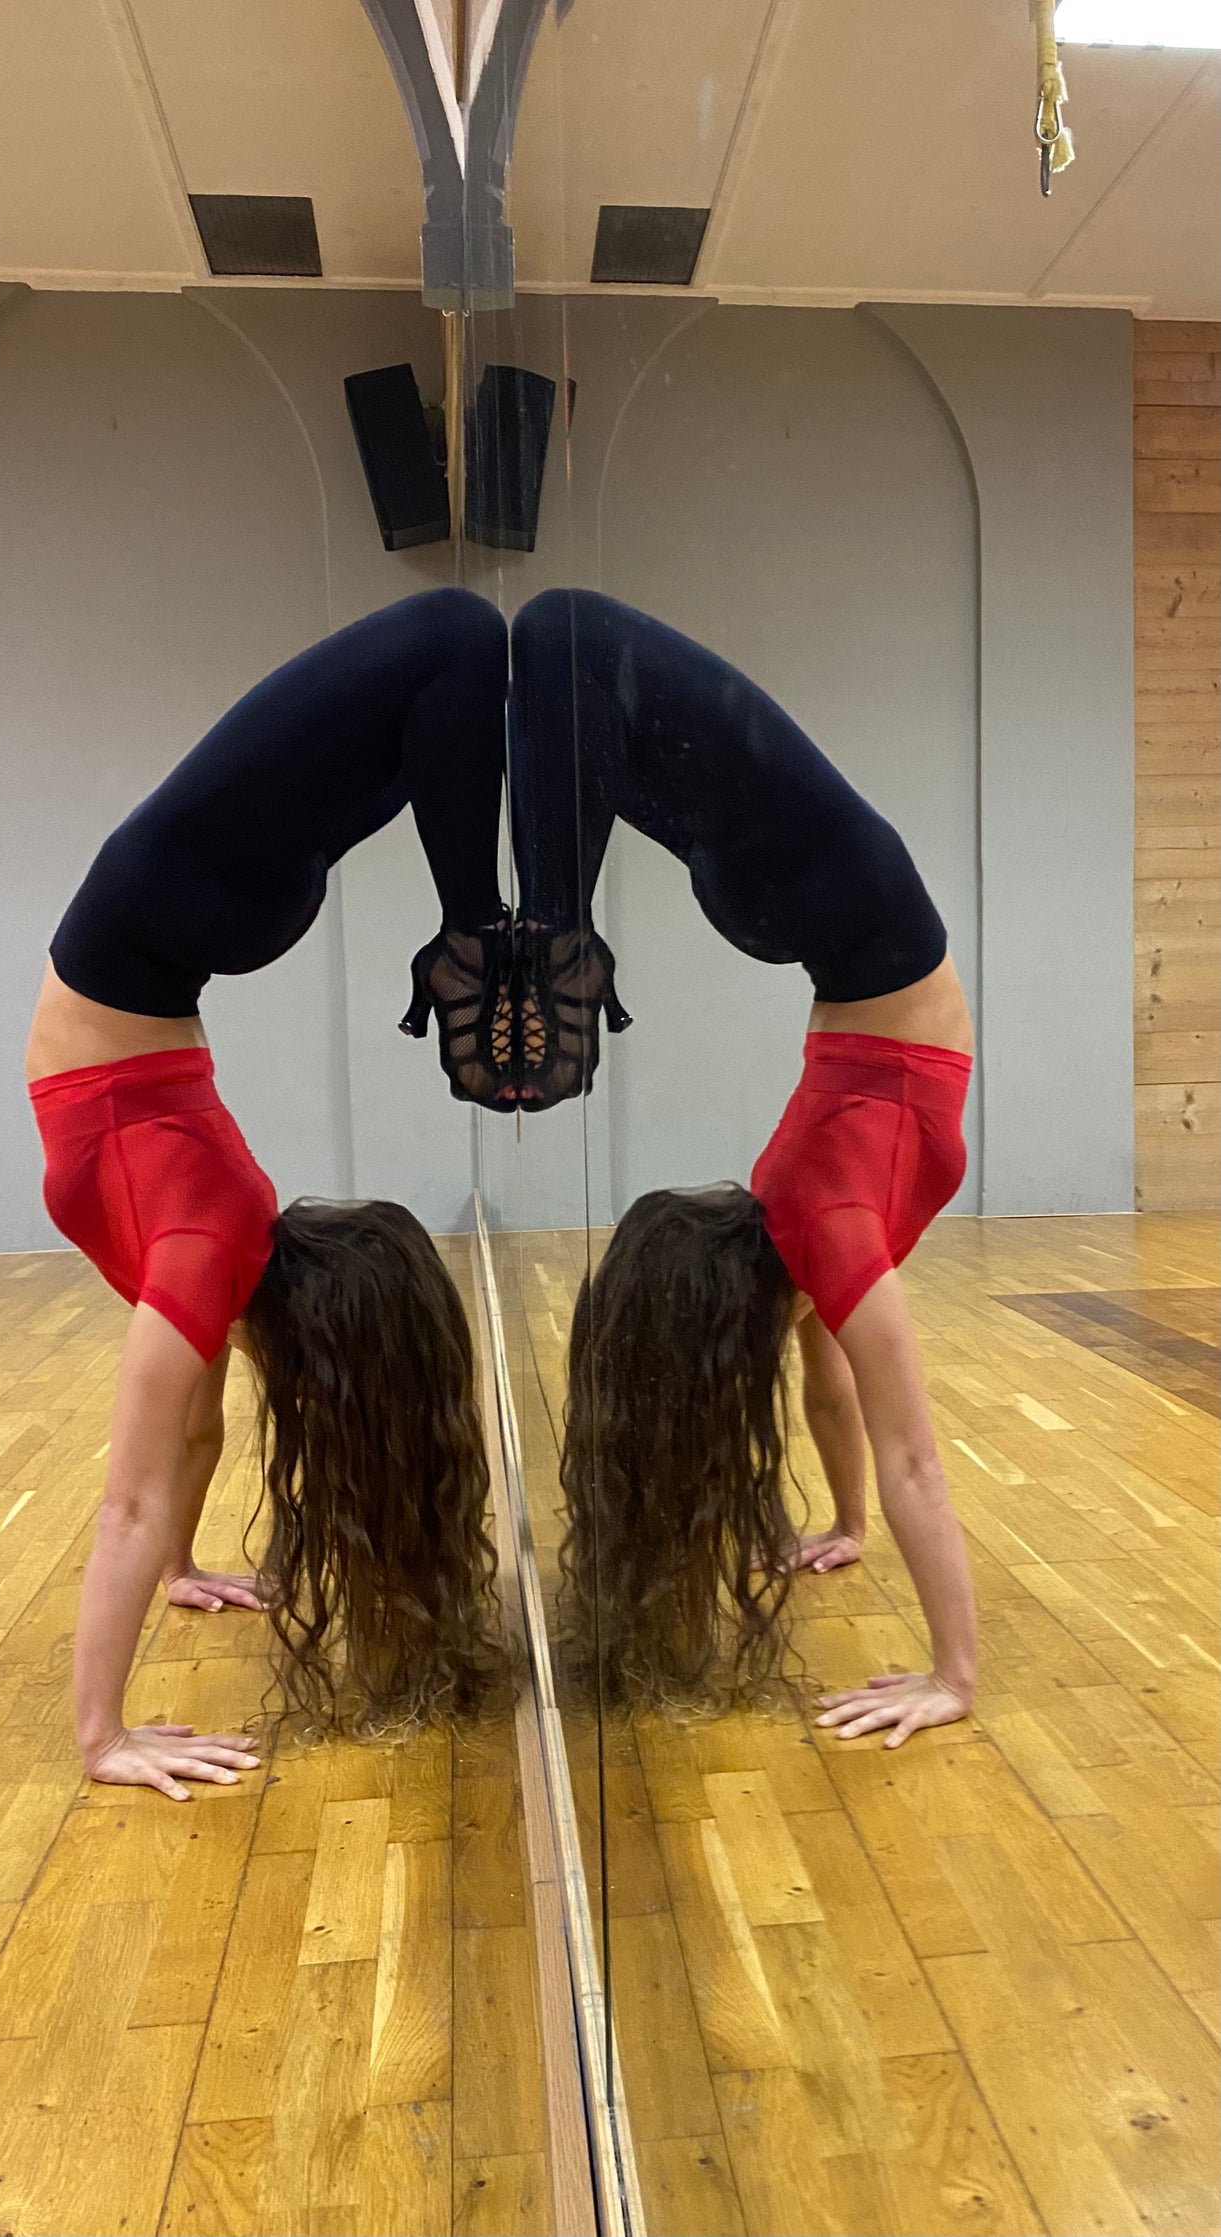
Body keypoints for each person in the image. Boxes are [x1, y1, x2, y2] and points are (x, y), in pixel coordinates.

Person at [26, 590, 511, 1798]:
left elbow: (185, 1444)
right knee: (457, 637)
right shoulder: (201, 1264)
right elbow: (125, 1500)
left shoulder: (216, 1268)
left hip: (153, 965)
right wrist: (105, 1736)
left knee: (451, 656)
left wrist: (183, 1562)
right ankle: (471, 923)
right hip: (151, 949)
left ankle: (471, 922)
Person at [514, 590, 976, 1748]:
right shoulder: (801, 1235)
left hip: (851, 934)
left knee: (564, 640)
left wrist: (950, 1673)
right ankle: (551, 925)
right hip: (843, 934)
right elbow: (843, 1399)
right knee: (564, 655)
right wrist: (845, 1522)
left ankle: (552, 925)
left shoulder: (818, 1233)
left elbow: (910, 1449)